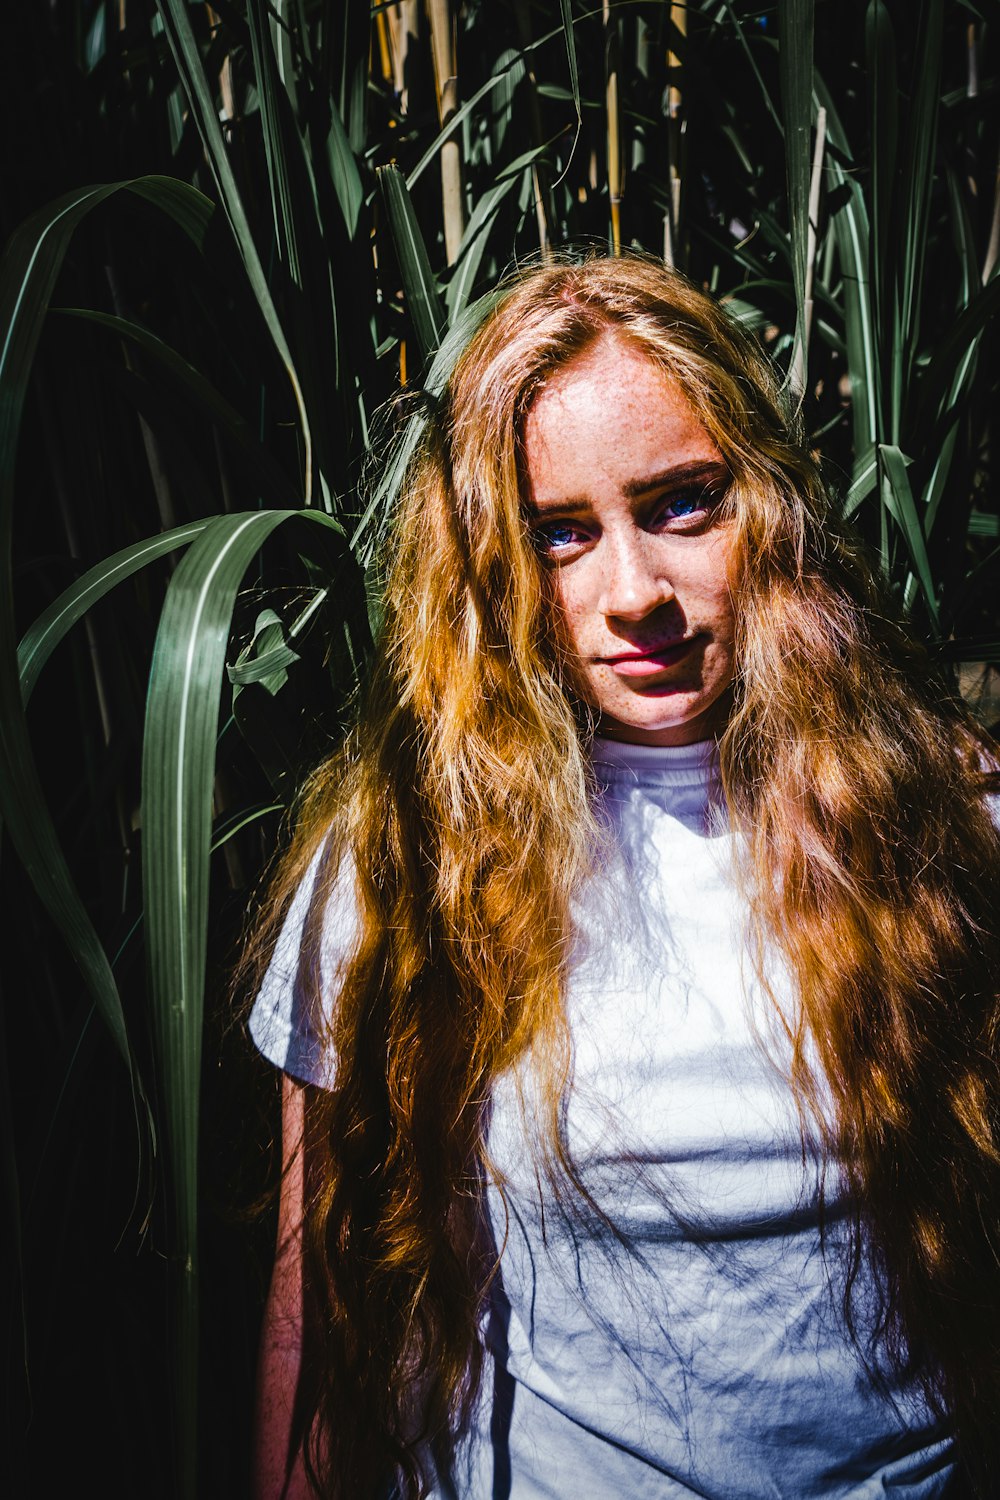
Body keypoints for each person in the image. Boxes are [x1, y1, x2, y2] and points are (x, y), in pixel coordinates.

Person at [245, 256, 1000, 1499]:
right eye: (559, 534)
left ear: (766, 501)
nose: (632, 593)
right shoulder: (407, 861)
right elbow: (316, 1314)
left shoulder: (945, 824)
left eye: (682, 504)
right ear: (491, 561)